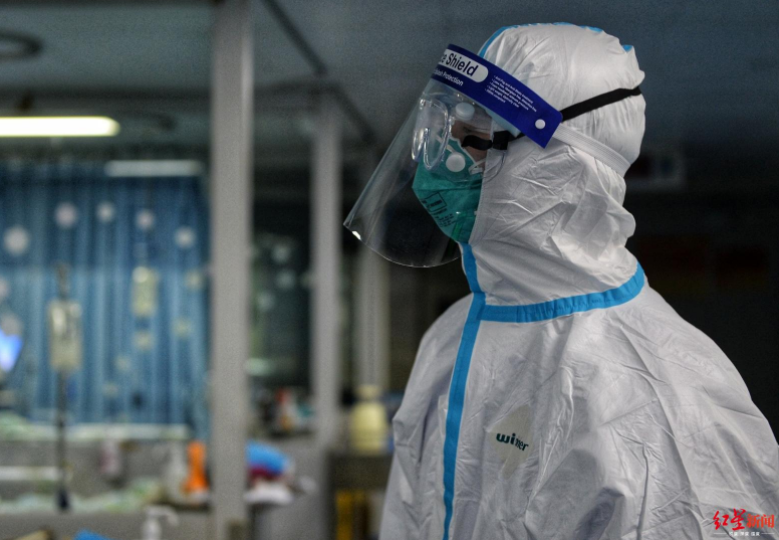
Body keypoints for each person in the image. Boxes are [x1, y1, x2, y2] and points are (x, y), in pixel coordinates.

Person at [345, 23, 779, 539]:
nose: (439, 165)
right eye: (443, 130)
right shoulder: (449, 339)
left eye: (475, 139)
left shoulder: (667, 395)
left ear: (561, 166)